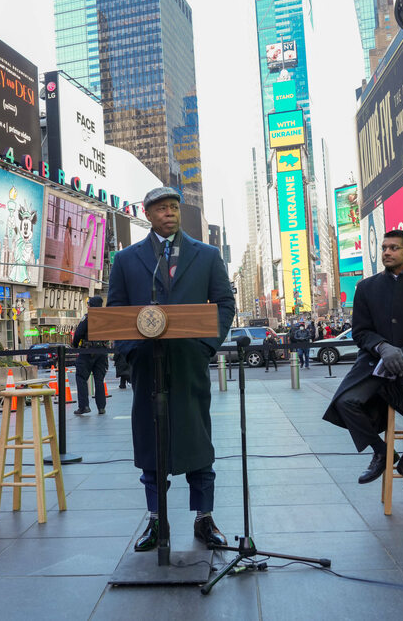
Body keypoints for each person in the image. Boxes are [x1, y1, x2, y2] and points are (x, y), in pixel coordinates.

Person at [107, 186, 235, 552]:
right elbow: (117, 311)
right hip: (148, 367)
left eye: (174, 207)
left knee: (197, 439)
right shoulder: (126, 260)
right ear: (147, 215)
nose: (170, 213)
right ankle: (156, 520)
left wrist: (205, 346)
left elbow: (224, 303)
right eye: (161, 208)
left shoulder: (207, 255)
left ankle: (204, 518)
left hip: (189, 364)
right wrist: (132, 353)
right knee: (151, 444)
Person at [323, 230, 403, 493]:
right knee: (345, 402)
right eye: (384, 248)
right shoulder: (366, 287)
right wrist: (383, 347)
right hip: (374, 362)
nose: (387, 252)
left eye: (394, 248)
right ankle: (383, 453)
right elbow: (360, 331)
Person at [72, 295, 109, 416]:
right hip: (102, 352)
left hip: (87, 352)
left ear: (91, 306)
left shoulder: (87, 317)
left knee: (81, 378)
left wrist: (75, 345)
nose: (87, 306)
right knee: (99, 379)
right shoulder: (105, 318)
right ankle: (101, 407)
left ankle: (84, 406)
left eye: (89, 304)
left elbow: (78, 333)